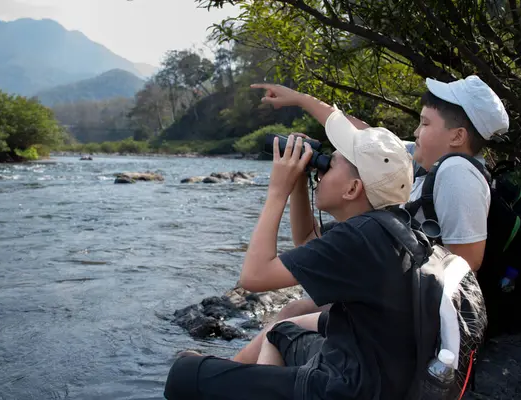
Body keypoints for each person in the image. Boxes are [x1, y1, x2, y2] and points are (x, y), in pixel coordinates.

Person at [231, 76, 508, 364]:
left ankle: (223, 377)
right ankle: (229, 374)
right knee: (290, 313)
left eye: (425, 123)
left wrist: (393, 280)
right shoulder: (425, 163)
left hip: (410, 314)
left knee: (286, 322)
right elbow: (364, 136)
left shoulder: (457, 173)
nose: (416, 131)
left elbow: (466, 263)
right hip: (390, 294)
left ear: (457, 136)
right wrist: (301, 101)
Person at [164, 113, 424, 399]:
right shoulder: (382, 227)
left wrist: (277, 190)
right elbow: (307, 242)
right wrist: (299, 182)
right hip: (373, 372)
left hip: (349, 387)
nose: (320, 171)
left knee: (183, 375)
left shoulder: (359, 237)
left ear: (352, 189)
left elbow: (254, 277)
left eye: (330, 164)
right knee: (280, 331)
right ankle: (237, 375)